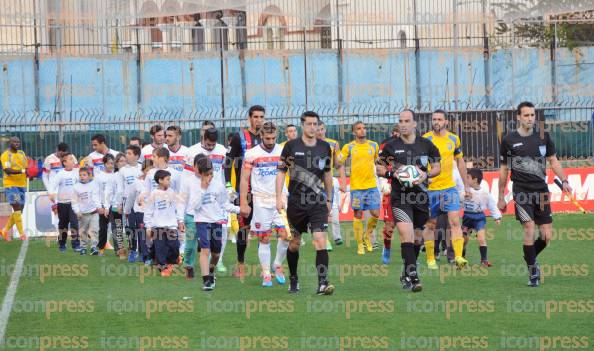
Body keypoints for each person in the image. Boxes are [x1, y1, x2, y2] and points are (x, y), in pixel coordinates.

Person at [497, 101, 571, 287]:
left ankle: (529, 255)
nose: (530, 118)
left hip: (541, 190)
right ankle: (533, 273)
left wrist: (565, 180)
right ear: (518, 117)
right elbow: (504, 170)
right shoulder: (508, 140)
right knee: (529, 227)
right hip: (521, 190)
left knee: (546, 236)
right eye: (526, 115)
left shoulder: (543, 136)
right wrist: (500, 196)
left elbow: (553, 161)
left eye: (532, 115)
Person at [376, 109, 441, 292]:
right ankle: (414, 277)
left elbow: (437, 167)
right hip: (400, 198)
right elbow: (379, 169)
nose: (403, 124)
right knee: (407, 234)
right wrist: (393, 173)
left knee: (418, 238)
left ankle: (405, 271)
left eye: (407, 121)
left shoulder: (426, 145)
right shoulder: (391, 146)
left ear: (414, 124)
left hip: (420, 197)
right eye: (400, 121)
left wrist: (425, 174)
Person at [276, 111, 334, 295]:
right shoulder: (291, 147)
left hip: (317, 202)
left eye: (315, 124)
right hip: (296, 203)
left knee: (320, 240)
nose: (312, 127)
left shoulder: (325, 147)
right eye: (308, 124)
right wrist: (278, 197)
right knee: (294, 243)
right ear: (302, 125)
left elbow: (327, 174)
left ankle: (322, 283)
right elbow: (281, 172)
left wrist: (330, 198)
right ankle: (293, 279)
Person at [240, 121, 289, 287]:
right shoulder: (251, 154)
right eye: (267, 138)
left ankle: (277, 264)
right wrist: (243, 203)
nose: (271, 141)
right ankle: (266, 273)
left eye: (274, 137)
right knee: (264, 238)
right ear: (261, 136)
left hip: (281, 198)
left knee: (286, 236)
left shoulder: (283, 151)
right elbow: (244, 178)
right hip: (260, 200)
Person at [422, 110, 470, 270]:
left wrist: (466, 186)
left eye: (439, 119)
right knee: (431, 225)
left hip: (449, 189)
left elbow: (461, 163)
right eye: (434, 119)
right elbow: (420, 163)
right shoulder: (425, 139)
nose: (436, 122)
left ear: (446, 122)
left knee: (455, 222)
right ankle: (430, 258)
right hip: (431, 190)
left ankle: (458, 256)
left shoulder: (453, 139)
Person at [225, 105, 265, 279]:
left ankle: (266, 268)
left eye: (261, 117)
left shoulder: (267, 138)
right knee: (244, 229)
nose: (258, 120)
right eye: (255, 117)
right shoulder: (239, 137)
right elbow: (228, 161)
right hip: (245, 191)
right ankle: (240, 263)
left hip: (263, 191)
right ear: (250, 118)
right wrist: (228, 184)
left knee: (265, 229)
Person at [189, 155, 239, 290]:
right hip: (202, 221)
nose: (209, 177)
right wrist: (203, 189)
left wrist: (239, 210)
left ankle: (211, 272)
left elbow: (224, 204)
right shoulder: (194, 184)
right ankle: (206, 280)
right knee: (205, 250)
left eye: (211, 173)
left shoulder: (218, 185)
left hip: (216, 221)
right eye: (206, 174)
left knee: (216, 254)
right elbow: (195, 206)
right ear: (200, 173)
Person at [187, 126, 231, 273]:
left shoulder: (222, 150)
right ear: (203, 139)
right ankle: (190, 264)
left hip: (217, 195)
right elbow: (188, 176)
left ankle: (219, 260)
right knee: (195, 234)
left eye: (213, 144)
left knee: (223, 229)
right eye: (208, 144)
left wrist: (228, 187)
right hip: (200, 195)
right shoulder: (192, 151)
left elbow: (227, 170)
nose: (211, 147)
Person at [338, 121, 380, 255]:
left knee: (376, 214)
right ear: (354, 132)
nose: (362, 130)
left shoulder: (374, 145)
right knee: (357, 214)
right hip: (356, 188)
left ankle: (367, 236)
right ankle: (360, 244)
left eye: (364, 128)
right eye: (359, 129)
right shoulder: (349, 147)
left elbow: (377, 163)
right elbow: (338, 163)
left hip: (372, 187)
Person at [144, 170, 184, 277]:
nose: (170, 181)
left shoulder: (172, 193)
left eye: (170, 179)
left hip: (171, 226)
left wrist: (180, 221)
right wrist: (148, 226)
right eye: (168, 179)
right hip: (158, 227)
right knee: (160, 248)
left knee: (175, 246)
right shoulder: (153, 194)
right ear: (160, 181)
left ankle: (171, 262)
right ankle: (163, 267)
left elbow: (179, 207)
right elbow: (148, 211)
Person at [462, 168, 501, 267]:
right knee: (464, 240)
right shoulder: (465, 191)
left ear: (475, 180)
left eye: (468, 177)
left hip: (479, 217)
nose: (466, 179)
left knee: (481, 239)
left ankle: (484, 260)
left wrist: (497, 217)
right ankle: (461, 257)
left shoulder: (485, 192)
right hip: (467, 217)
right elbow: (458, 201)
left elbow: (491, 204)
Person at [316, 121, 347, 248]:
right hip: (315, 182)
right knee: (319, 212)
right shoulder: (309, 144)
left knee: (332, 209)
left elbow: (339, 164)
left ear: (325, 129)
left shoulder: (334, 144)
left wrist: (343, 182)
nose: (319, 131)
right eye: (317, 129)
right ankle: (325, 240)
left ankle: (337, 236)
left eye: (322, 129)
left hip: (329, 181)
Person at [49, 153, 81, 252]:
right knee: (63, 225)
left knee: (74, 224)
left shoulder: (77, 172)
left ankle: (76, 245)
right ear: (64, 163)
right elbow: (52, 186)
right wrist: (52, 194)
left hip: (74, 204)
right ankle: (62, 244)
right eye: (70, 159)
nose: (73, 161)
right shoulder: (60, 174)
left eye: (73, 159)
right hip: (62, 204)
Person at [124, 159, 153, 264]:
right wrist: (127, 210)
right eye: (147, 170)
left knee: (143, 234)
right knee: (133, 232)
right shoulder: (137, 182)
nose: (149, 172)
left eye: (151, 169)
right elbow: (131, 197)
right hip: (137, 211)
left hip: (148, 213)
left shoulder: (154, 183)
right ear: (143, 170)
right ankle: (133, 251)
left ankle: (144, 254)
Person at [379, 123, 399, 264]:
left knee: (410, 227)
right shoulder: (387, 146)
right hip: (390, 191)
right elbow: (379, 167)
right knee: (389, 226)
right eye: (397, 131)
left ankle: (411, 256)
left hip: (408, 192)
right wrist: (383, 183)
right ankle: (386, 249)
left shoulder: (414, 146)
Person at [1, 137, 29, 241]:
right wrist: (22, 171)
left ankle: (4, 230)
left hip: (22, 185)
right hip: (11, 185)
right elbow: (8, 170)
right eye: (14, 142)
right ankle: (22, 235)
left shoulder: (21, 153)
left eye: (18, 142)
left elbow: (25, 167)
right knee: (17, 207)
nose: (16, 143)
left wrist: (29, 173)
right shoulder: (5, 155)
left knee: (19, 210)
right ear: (10, 143)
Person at [120, 145, 142, 262]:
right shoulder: (123, 170)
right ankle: (133, 250)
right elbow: (120, 188)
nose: (126, 155)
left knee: (141, 227)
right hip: (128, 202)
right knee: (130, 227)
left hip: (140, 203)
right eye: (126, 153)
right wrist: (119, 204)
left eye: (129, 153)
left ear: (136, 156)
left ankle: (144, 252)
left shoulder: (142, 168)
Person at [72, 167, 101, 255]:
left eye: (84, 175)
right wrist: (77, 211)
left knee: (94, 230)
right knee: (83, 231)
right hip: (83, 214)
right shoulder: (76, 187)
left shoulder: (94, 185)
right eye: (80, 175)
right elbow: (74, 201)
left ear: (89, 175)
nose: (82, 177)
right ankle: (83, 247)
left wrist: (99, 207)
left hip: (94, 212)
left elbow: (97, 197)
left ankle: (93, 247)